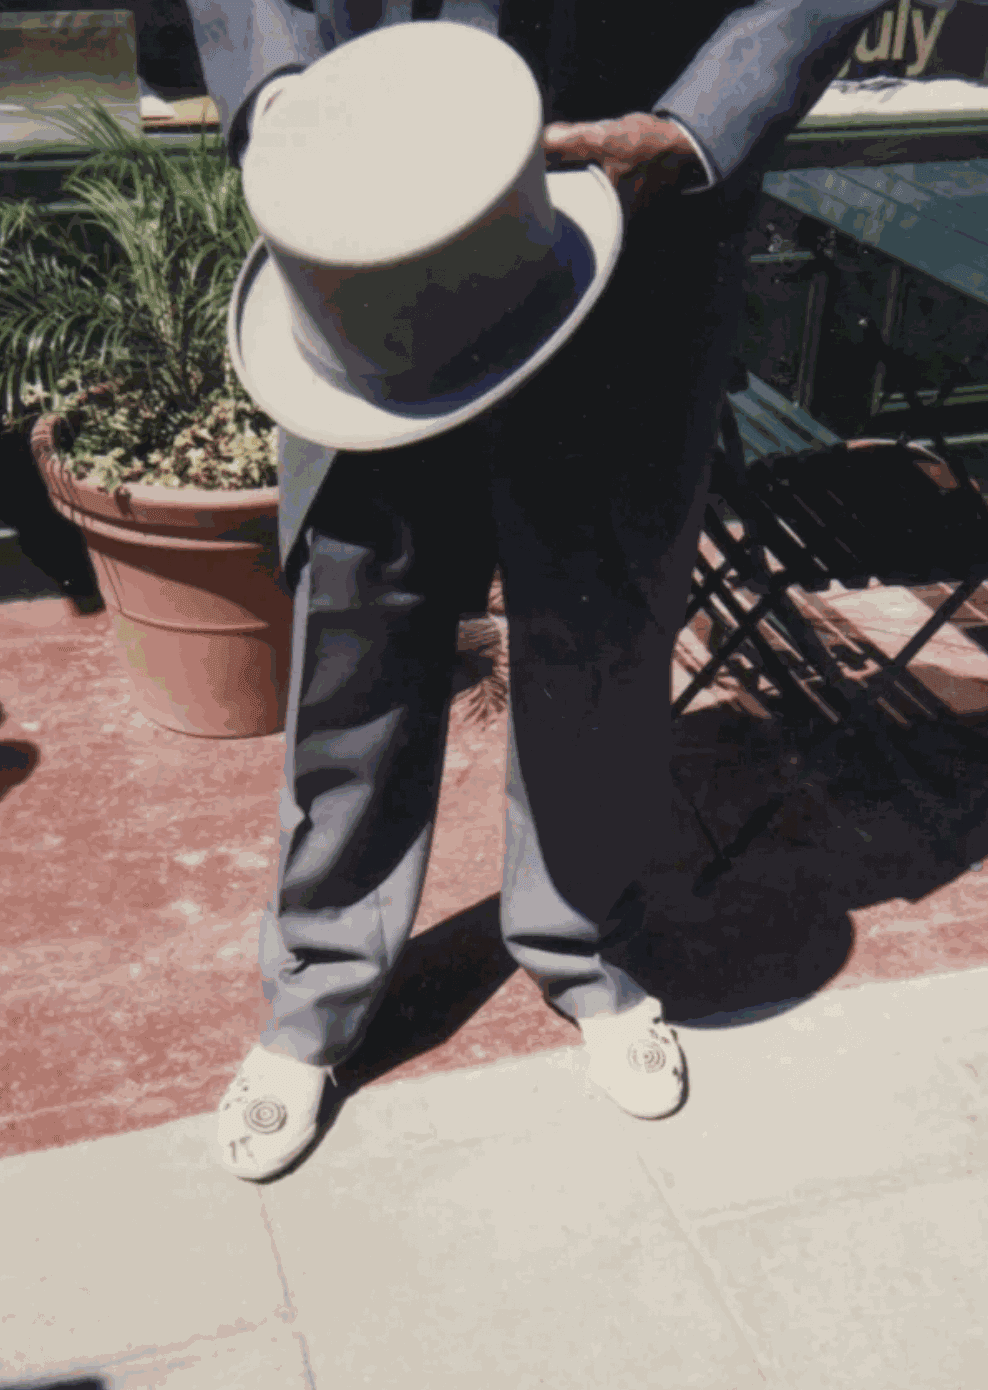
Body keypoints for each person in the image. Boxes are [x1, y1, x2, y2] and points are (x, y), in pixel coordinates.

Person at [185, 0, 903, 1180]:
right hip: (368, 245)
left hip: (631, 236)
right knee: (361, 624)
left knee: (603, 622)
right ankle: (317, 989)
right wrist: (283, 100)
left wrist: (695, 127)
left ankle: (584, 945)